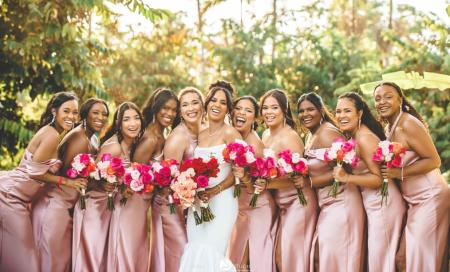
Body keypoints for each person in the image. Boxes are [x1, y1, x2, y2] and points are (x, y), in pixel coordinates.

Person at [0, 92, 86, 272]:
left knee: (15, 253)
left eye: (75, 112)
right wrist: (69, 182)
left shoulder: (56, 134)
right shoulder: (52, 135)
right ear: (55, 111)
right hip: (10, 197)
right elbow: (35, 172)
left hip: (20, 199)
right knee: (26, 256)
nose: (71, 116)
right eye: (66, 111)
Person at [373, 82, 449, 272]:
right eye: (377, 98)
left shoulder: (407, 123)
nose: (382, 101)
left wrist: (398, 173)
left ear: (400, 99)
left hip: (430, 197)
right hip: (413, 202)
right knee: (404, 259)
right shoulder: (389, 128)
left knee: (410, 259)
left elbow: (434, 160)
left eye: (388, 96)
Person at [32, 98, 109, 272]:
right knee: (50, 262)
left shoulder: (92, 139)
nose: (101, 118)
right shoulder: (79, 138)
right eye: (95, 113)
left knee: (61, 262)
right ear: (84, 116)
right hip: (55, 205)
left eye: (104, 114)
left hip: (66, 207)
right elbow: (64, 174)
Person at [334, 92, 406, 272]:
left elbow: (379, 178)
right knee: (378, 260)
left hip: (383, 204)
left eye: (347, 111)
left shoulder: (364, 138)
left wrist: (347, 177)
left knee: (381, 262)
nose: (341, 115)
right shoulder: (355, 136)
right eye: (338, 111)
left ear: (359, 114)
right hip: (373, 204)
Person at [297, 92, 365, 271]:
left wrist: (310, 183)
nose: (306, 114)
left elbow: (344, 170)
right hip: (325, 203)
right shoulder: (310, 136)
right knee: (322, 257)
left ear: (321, 110)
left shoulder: (328, 132)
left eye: (310, 109)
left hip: (342, 202)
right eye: (301, 111)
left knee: (332, 257)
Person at [179, 80, 241, 272]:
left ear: (228, 109)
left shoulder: (231, 133)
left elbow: (238, 173)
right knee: (195, 248)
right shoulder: (201, 134)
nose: (217, 105)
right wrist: (192, 189)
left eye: (223, 102)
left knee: (213, 252)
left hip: (222, 201)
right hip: (199, 203)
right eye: (214, 100)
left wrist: (215, 190)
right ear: (207, 104)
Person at [72, 102, 143, 272]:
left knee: (104, 261)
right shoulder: (114, 146)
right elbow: (91, 176)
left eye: (136, 118)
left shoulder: (131, 145)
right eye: (127, 119)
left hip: (108, 209)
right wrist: (105, 184)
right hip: (94, 208)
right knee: (92, 261)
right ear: (119, 124)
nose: (133, 123)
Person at [257, 89, 318, 272]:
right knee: (278, 258)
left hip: (298, 203)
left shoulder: (290, 137)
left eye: (274, 107)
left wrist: (268, 184)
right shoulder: (265, 135)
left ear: (284, 110)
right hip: (280, 205)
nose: (269, 112)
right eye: (265, 108)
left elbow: (298, 178)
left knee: (287, 259)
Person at [158, 87, 205, 271]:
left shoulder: (207, 130)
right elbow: (167, 180)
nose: (191, 108)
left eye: (195, 102)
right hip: (174, 206)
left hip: (199, 203)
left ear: (202, 106)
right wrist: (189, 196)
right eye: (185, 105)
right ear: (180, 111)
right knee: (181, 253)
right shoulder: (178, 137)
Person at [228, 95, 277, 272]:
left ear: (255, 118)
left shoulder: (255, 146)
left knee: (252, 261)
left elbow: (256, 188)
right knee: (236, 258)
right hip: (239, 207)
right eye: (239, 108)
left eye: (248, 111)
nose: (242, 113)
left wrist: (244, 177)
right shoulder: (231, 135)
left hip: (256, 207)